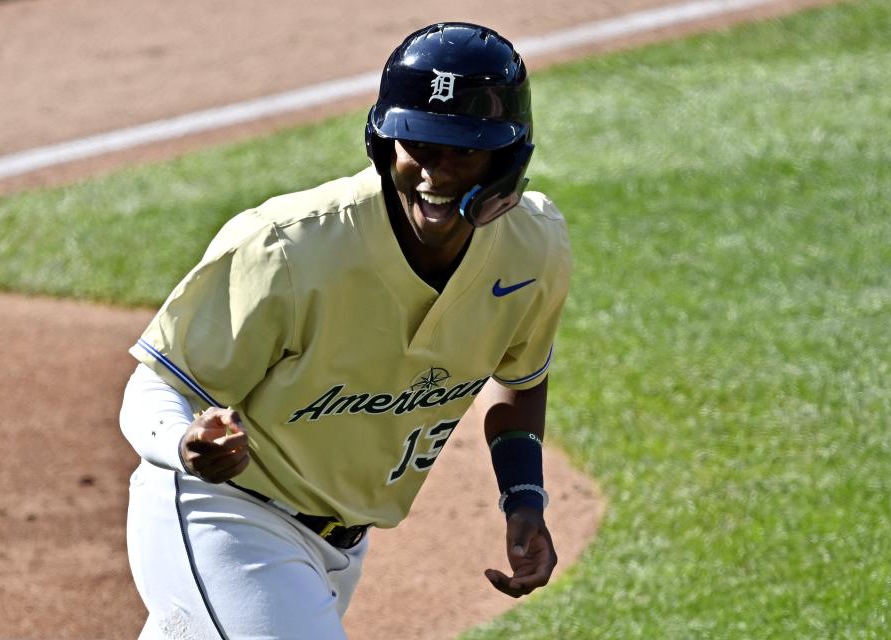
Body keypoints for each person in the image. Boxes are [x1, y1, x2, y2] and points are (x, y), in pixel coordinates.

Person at [119, 21, 571, 640]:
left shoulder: (531, 249)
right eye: (420, 146)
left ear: (506, 158)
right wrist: (185, 445)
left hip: (340, 545)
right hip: (222, 513)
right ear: (385, 143)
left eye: (462, 151)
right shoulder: (288, 246)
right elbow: (153, 387)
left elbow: (522, 380)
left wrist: (524, 501)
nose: (435, 175)